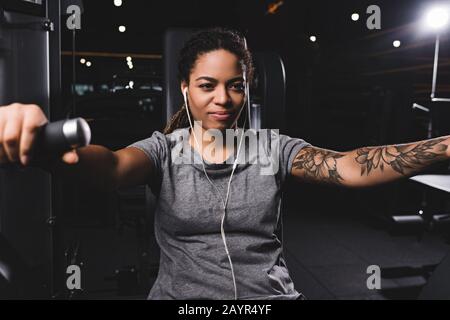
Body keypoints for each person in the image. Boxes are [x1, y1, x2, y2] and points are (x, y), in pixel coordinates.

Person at [0, 27, 449, 300]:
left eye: (235, 85)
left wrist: (446, 146)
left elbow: (348, 167)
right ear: (185, 89)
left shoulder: (272, 148)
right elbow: (111, 168)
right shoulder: (163, 150)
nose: (222, 99)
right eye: (207, 85)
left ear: (248, 88)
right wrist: (51, 152)